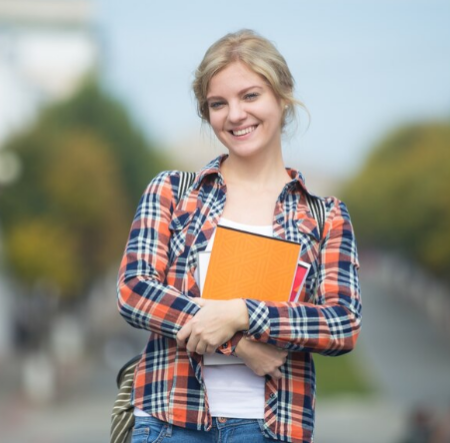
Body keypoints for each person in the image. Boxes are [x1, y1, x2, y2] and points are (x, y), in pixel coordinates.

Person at [117, 29, 362, 443]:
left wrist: (245, 313)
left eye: (250, 96)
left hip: (269, 427)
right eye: (218, 104)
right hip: (168, 422)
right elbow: (135, 292)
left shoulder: (325, 217)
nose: (234, 115)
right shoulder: (173, 193)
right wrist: (237, 342)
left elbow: (342, 324)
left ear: (282, 97)